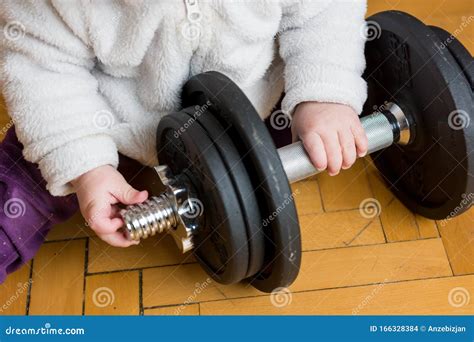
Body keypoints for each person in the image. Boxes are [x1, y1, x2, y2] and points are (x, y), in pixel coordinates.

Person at [0, 0, 368, 282]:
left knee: (335, 107)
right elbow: (40, 62)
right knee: (28, 176)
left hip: (256, 104)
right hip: (114, 120)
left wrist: (324, 93)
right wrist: (86, 168)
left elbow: (324, 10)